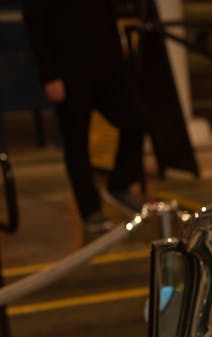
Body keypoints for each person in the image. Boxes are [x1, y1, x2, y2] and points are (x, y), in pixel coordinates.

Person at [22, 0, 147, 235]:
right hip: (68, 70)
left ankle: (119, 184)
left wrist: (117, 43)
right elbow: (34, 24)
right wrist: (49, 75)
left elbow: (107, 10)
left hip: (106, 64)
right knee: (76, 140)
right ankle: (90, 210)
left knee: (136, 120)